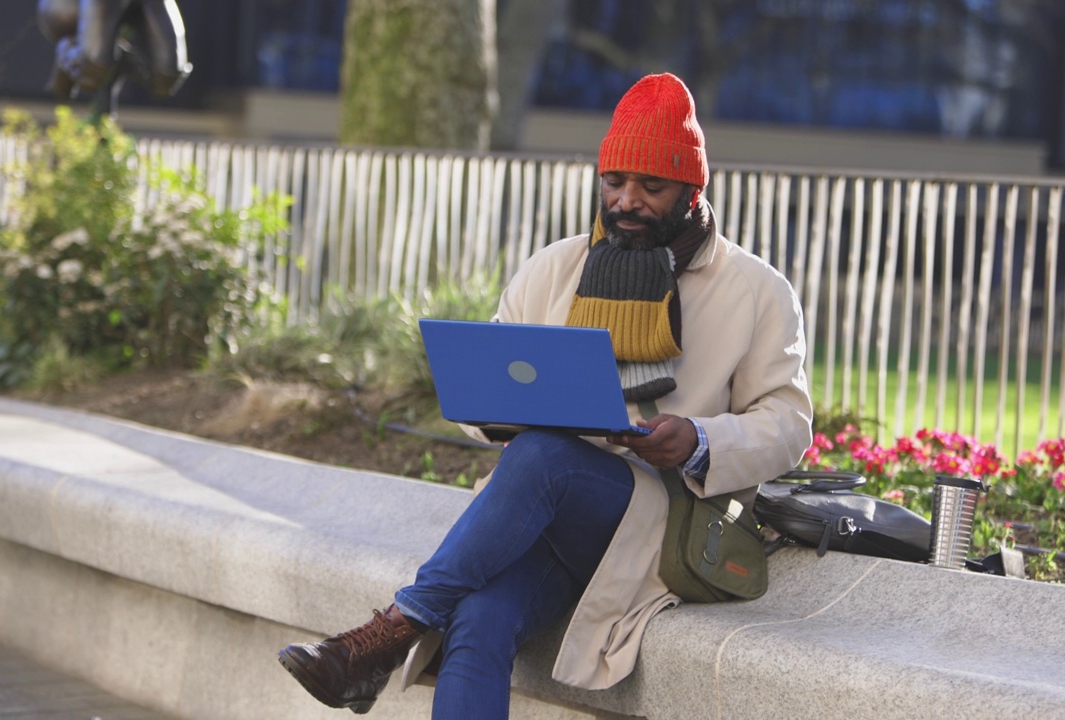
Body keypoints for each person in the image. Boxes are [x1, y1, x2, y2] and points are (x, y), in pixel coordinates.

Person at [277, 72, 813, 719]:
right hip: (538, 521)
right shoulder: (554, 266)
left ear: (691, 189)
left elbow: (788, 423)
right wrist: (498, 413)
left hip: (657, 517)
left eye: (651, 186)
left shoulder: (757, 289)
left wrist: (700, 440)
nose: (627, 200)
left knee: (542, 456)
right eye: (614, 182)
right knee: (478, 616)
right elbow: (485, 404)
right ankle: (393, 635)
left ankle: (389, 632)